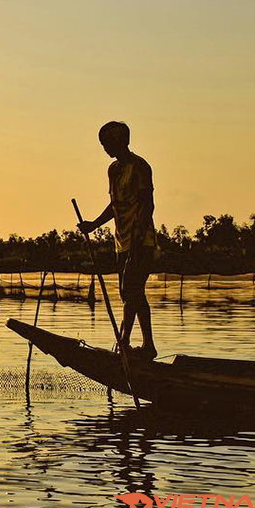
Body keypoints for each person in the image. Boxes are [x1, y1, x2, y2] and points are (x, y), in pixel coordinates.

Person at [77, 120, 159, 360]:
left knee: (130, 289)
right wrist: (93, 225)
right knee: (131, 293)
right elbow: (115, 206)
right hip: (121, 240)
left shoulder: (140, 167)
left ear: (120, 141)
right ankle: (144, 345)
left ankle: (126, 343)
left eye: (107, 143)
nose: (104, 148)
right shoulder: (114, 170)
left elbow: (147, 206)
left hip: (141, 240)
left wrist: (136, 241)